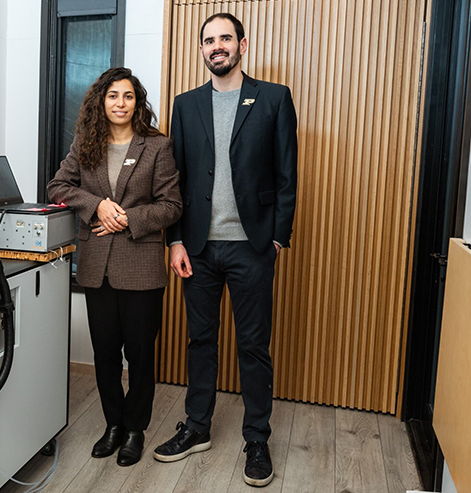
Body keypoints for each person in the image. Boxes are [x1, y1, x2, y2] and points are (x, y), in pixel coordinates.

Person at [152, 13, 297, 487]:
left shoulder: (274, 98)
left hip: (253, 247)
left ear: (243, 45)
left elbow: (286, 176)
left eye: (225, 39)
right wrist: (173, 239)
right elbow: (176, 179)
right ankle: (197, 428)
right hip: (198, 247)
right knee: (200, 342)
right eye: (209, 40)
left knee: (253, 347)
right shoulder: (186, 104)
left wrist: (277, 238)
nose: (218, 46)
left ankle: (256, 438)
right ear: (202, 50)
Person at [48, 67, 182, 467]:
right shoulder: (85, 143)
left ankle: (135, 429)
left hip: (141, 267)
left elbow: (171, 205)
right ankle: (113, 425)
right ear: (100, 101)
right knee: (105, 354)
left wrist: (125, 218)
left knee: (139, 354)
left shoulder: (157, 147)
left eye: (127, 96)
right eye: (112, 96)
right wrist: (96, 206)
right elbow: (58, 186)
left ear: (137, 102)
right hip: (96, 268)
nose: (120, 103)